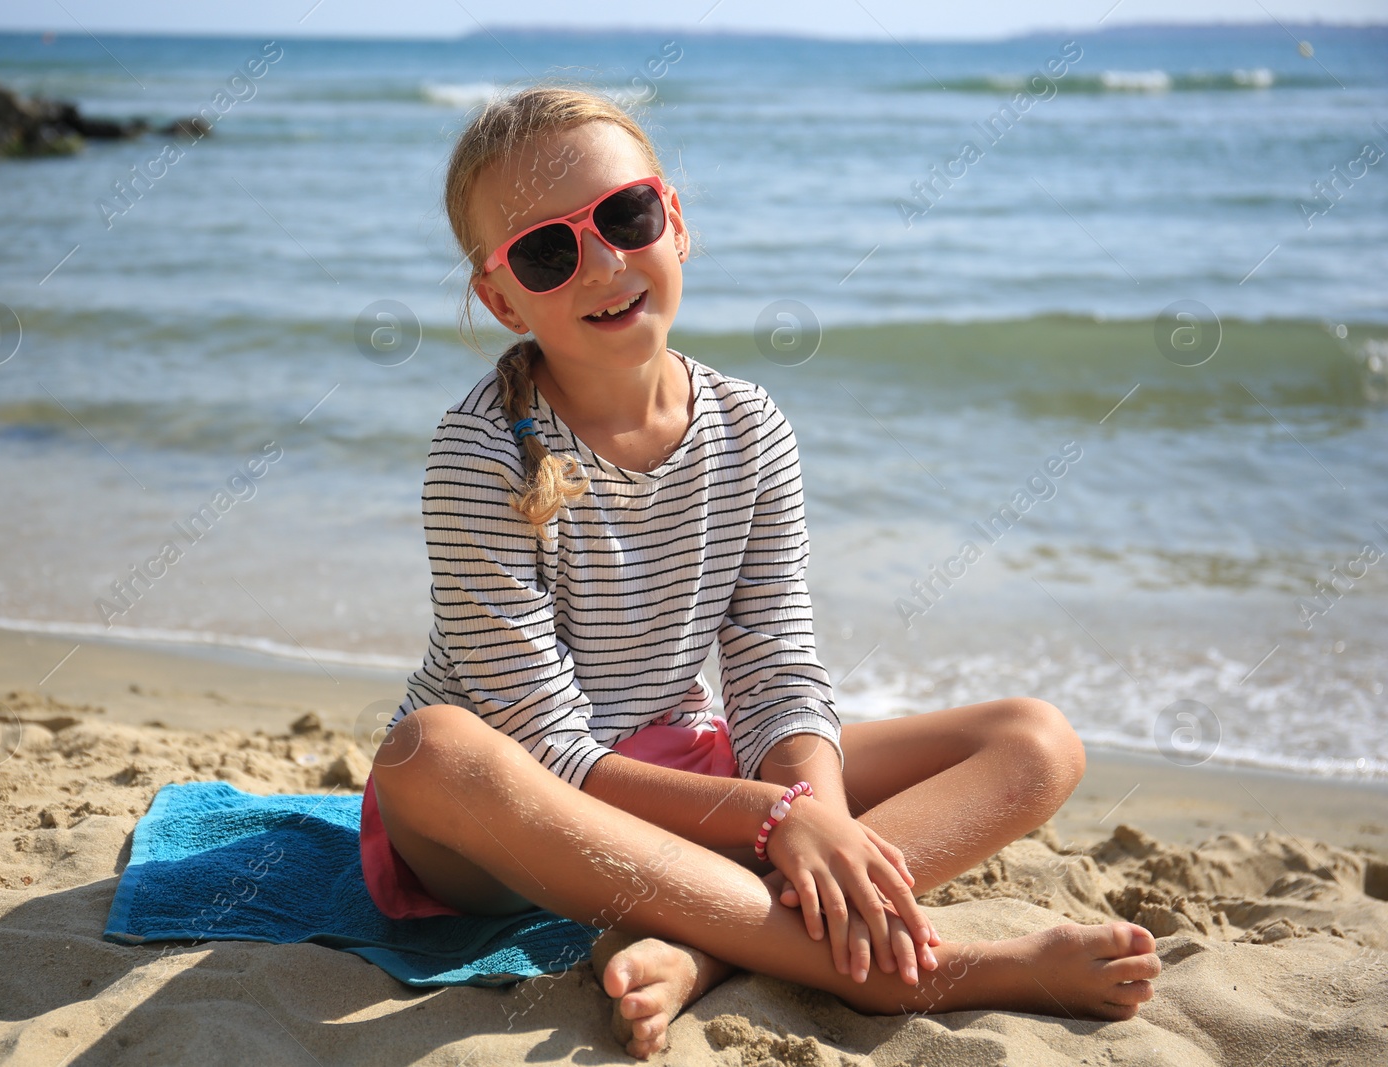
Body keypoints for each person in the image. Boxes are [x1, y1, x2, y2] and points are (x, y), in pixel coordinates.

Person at [361, 85, 1160, 1060]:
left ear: (676, 223)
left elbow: (777, 670)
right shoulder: (478, 456)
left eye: (625, 214)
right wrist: (775, 817)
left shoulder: (749, 427)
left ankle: (706, 950)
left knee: (1035, 741)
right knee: (429, 750)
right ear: (499, 297)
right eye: (546, 249)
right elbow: (550, 754)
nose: (604, 260)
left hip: (685, 771)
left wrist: (809, 814)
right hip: (511, 820)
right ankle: (946, 968)